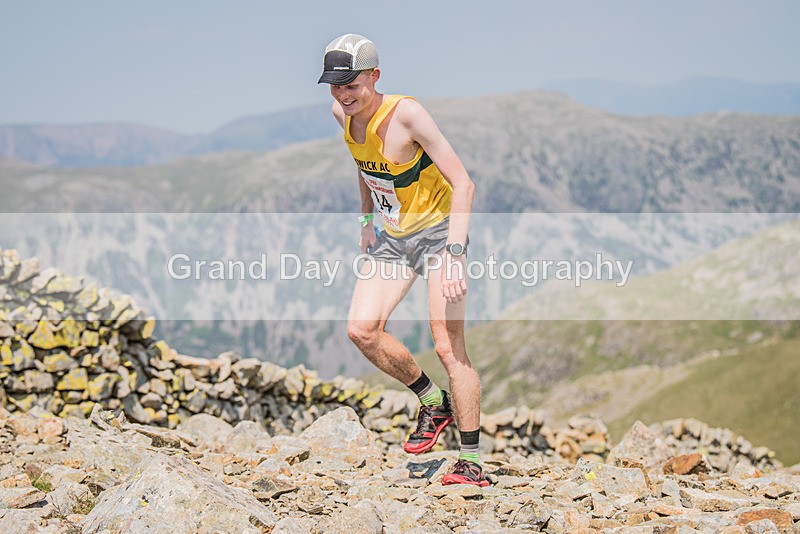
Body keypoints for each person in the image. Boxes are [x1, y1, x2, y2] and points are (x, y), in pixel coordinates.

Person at [318, 33, 488, 486]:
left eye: (351, 84)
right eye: (335, 85)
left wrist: (455, 253)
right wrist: (365, 219)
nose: (343, 94)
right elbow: (365, 164)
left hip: (439, 238)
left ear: (375, 76)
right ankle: (433, 402)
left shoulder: (407, 115)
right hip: (393, 238)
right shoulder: (341, 113)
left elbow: (464, 184)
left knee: (448, 347)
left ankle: (471, 463)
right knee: (362, 330)